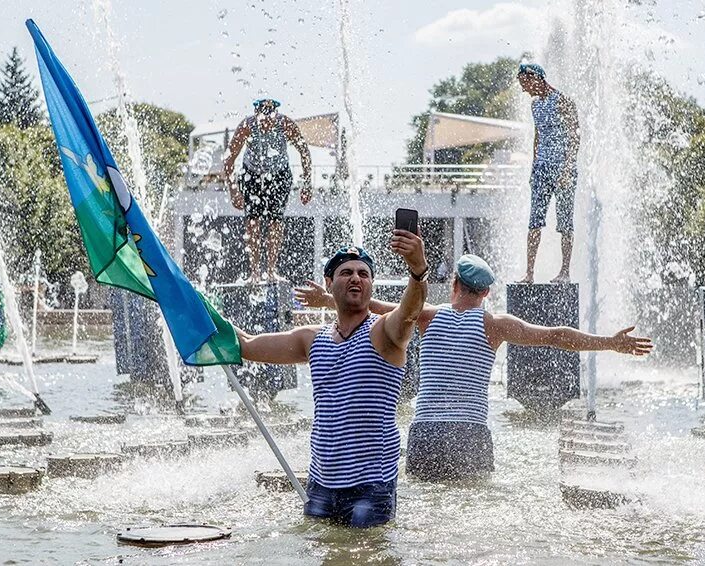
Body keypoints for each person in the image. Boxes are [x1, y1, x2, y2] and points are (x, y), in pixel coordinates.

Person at [296, 254, 653, 482]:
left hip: (426, 432)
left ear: (453, 285)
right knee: (471, 503)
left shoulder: (426, 316)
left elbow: (372, 305)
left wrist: (328, 298)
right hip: (469, 433)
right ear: (484, 294)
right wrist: (610, 342)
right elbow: (557, 336)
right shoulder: (494, 324)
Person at [234, 230, 429, 527]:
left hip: (371, 487)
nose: (356, 278)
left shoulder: (384, 332)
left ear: (371, 284)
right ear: (329, 283)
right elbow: (246, 345)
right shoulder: (312, 339)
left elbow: (409, 312)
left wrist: (417, 272)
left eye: (364, 274)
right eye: (346, 272)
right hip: (322, 485)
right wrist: (190, 302)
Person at [223, 98, 313, 282]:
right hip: (252, 174)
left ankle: (271, 271)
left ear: (276, 113)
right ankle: (255, 272)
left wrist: (307, 183)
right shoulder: (247, 126)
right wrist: (233, 190)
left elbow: (304, 151)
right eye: (262, 113)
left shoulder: (285, 124)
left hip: (279, 175)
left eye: (269, 113)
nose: (266, 119)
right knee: (252, 222)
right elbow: (229, 159)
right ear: (256, 113)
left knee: (275, 222)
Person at [516, 63, 580, 284]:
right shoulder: (535, 106)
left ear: (536, 78)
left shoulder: (563, 101)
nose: (525, 90)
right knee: (534, 221)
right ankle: (529, 272)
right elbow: (537, 136)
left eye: (525, 84)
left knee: (565, 222)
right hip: (542, 169)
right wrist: (534, 167)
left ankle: (565, 271)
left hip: (563, 170)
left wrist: (568, 167)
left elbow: (574, 136)